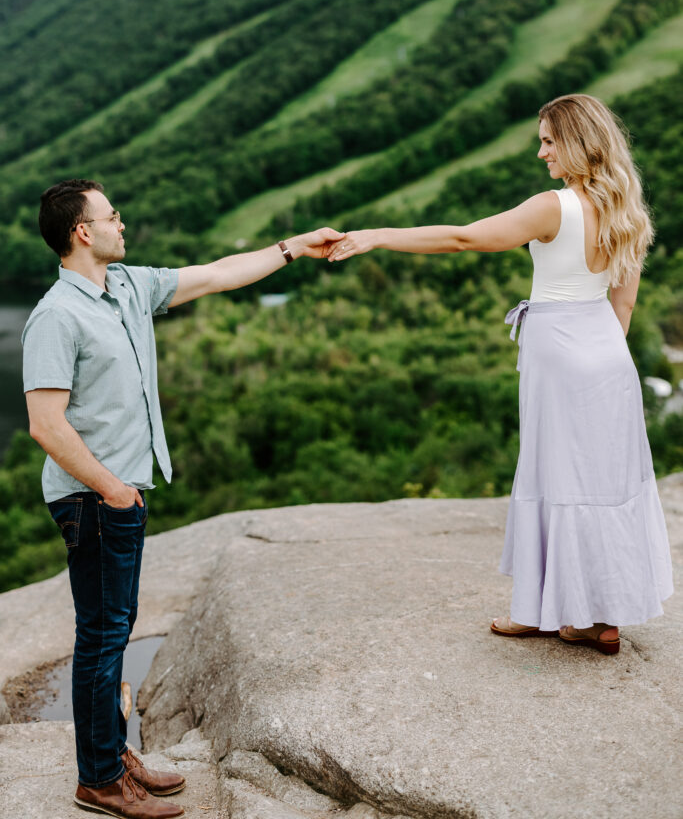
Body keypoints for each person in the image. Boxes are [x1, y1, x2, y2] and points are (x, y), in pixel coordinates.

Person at [22, 179, 344, 819]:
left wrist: (295, 247)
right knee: (103, 636)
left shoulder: (130, 287)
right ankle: (100, 780)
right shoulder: (56, 316)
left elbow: (221, 273)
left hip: (119, 496)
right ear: (82, 232)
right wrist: (113, 491)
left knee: (112, 631)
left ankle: (110, 756)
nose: (122, 222)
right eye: (111, 216)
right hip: (94, 501)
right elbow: (45, 425)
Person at [328, 93, 673, 656]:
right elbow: (625, 305)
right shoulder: (627, 210)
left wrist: (376, 236)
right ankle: (601, 618)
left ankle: (545, 610)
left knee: (554, 477)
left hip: (559, 354)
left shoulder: (553, 207)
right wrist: (600, 361)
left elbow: (465, 236)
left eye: (548, 141)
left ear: (578, 143)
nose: (541, 153)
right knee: (604, 485)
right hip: (610, 359)